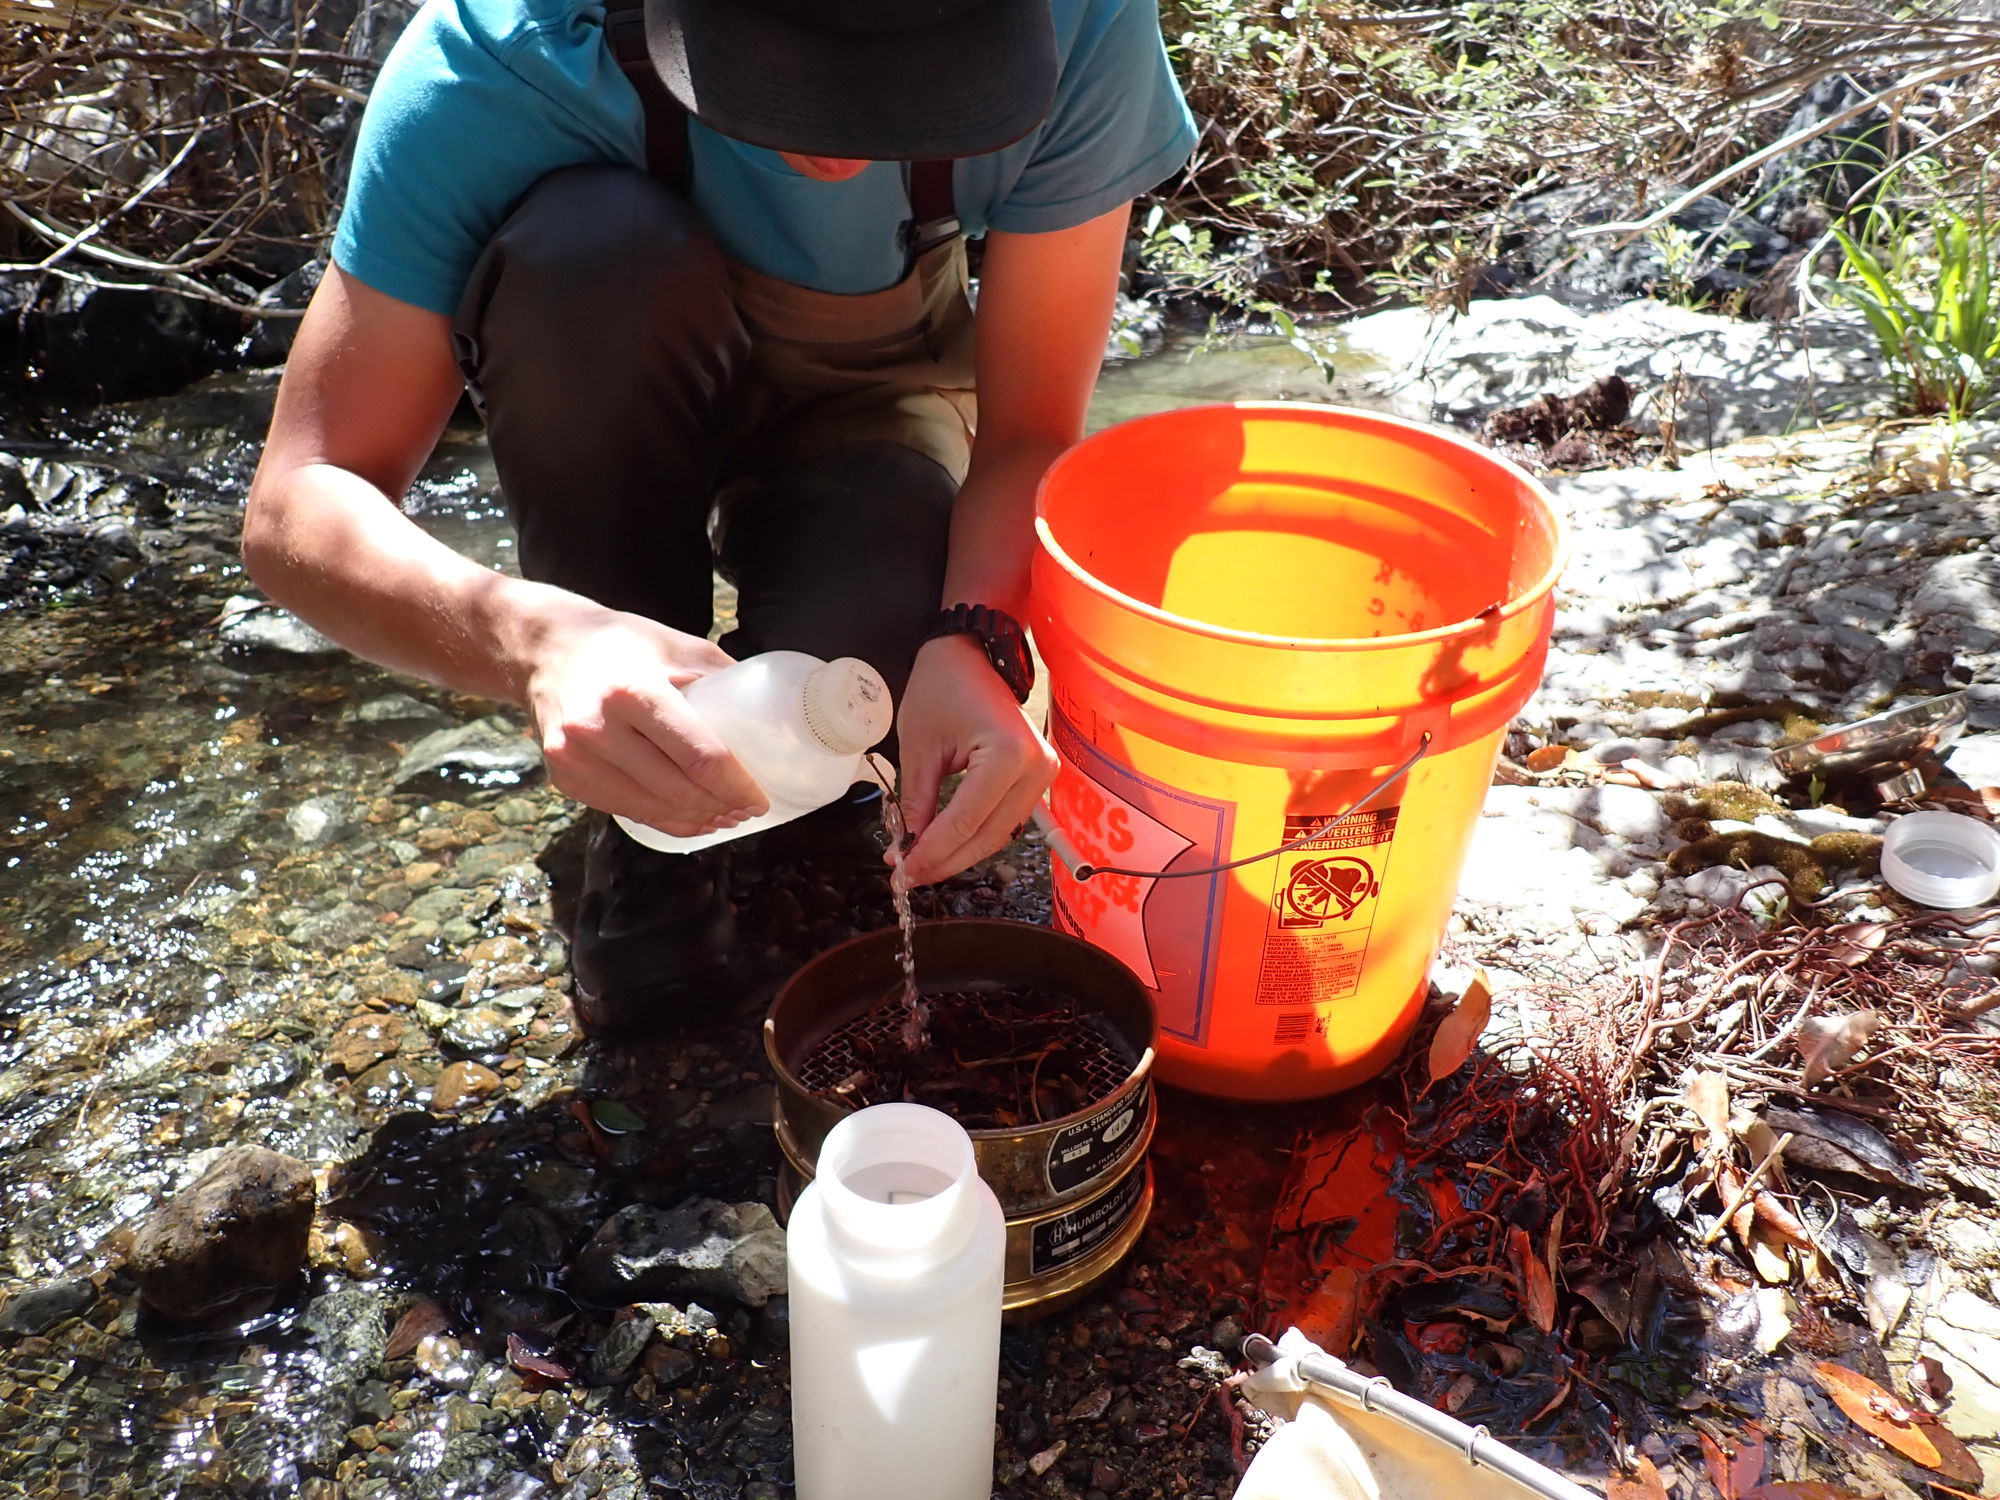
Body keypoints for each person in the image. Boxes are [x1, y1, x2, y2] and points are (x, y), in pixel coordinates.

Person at [242, 0, 1196, 1032]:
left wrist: (976, 637)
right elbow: (298, 502)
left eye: (922, 90)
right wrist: (530, 642)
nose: (843, 148)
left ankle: (760, 777)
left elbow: (1026, 436)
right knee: (597, 250)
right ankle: (638, 806)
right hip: (608, 351)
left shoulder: (1081, 24)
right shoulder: (502, 60)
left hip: (870, 398)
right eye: (794, 80)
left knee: (873, 667)